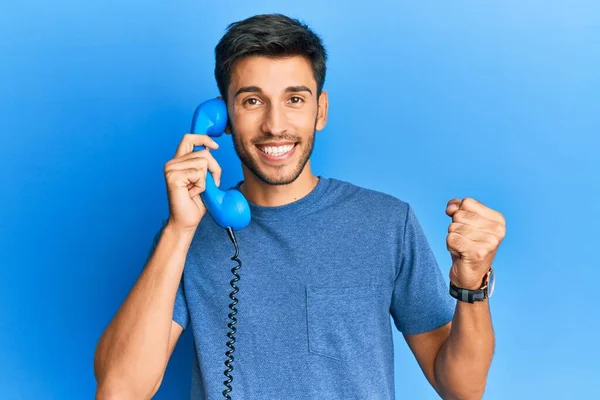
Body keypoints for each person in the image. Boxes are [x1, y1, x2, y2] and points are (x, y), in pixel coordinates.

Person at [94, 13, 506, 400]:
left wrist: (472, 284)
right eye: (252, 101)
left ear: (320, 111)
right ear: (222, 116)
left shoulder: (386, 222)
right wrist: (179, 231)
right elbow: (119, 390)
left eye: (294, 99)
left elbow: (462, 387)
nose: (275, 124)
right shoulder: (188, 235)